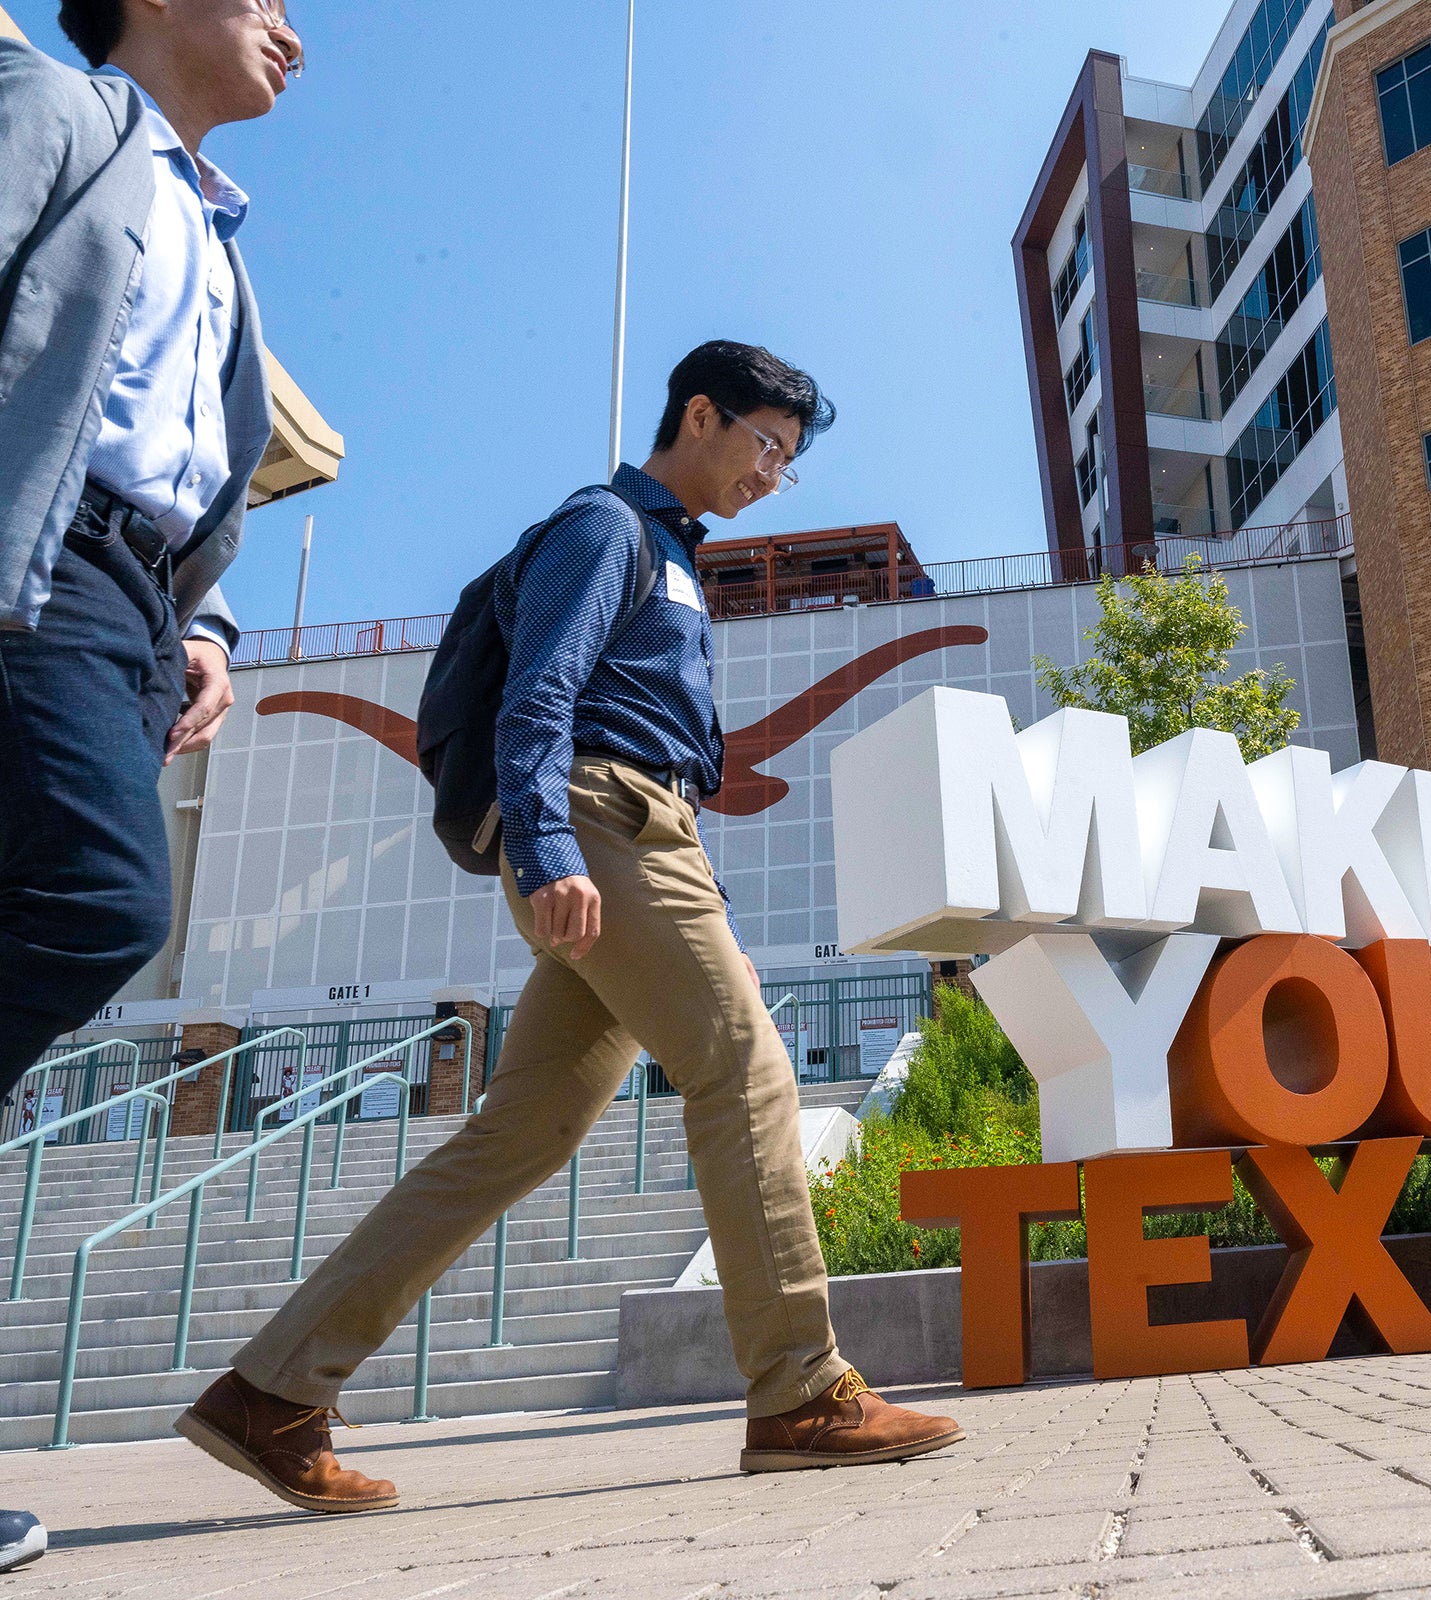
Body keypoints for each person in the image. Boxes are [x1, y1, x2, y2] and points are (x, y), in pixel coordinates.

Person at [176, 343, 964, 1514]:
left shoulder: (676, 558)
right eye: (767, 447)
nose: (773, 477)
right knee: (744, 1074)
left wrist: (710, 920)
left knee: (523, 1134)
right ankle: (800, 1390)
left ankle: (271, 1393)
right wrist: (544, 847)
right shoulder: (608, 529)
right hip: (602, 821)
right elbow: (542, 691)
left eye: (789, 465)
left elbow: (670, 760)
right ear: (700, 415)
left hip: (646, 837)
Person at [0, 0, 305, 1565]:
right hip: (32, 573)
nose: (292, 32)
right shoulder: (55, 113)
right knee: (104, 901)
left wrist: (204, 621)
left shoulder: (227, 246)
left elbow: (199, 453)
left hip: (130, 610)